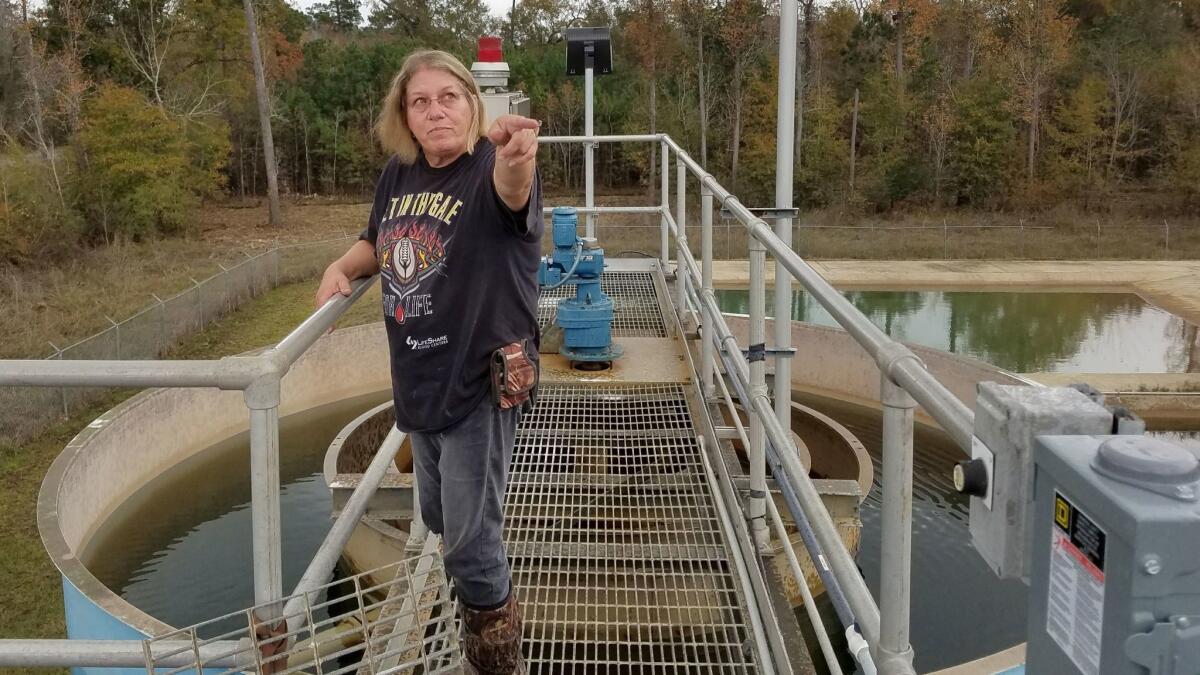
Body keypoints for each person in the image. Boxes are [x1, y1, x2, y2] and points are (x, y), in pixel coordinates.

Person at [315, 49, 542, 675]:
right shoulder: (399, 174)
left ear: (472, 103)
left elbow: (512, 195)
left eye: (449, 96)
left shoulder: (490, 166)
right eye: (421, 101)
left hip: (479, 380)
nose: (436, 110)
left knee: (470, 545)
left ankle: (496, 659)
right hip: (417, 378)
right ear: (405, 117)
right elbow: (374, 240)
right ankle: (476, 605)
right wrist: (342, 267)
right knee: (442, 518)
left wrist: (518, 161)